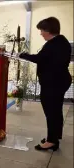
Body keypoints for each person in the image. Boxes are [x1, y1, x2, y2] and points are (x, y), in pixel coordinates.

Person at [19, 17, 72, 151]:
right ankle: (55, 135)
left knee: (51, 111)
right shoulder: (62, 41)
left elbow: (39, 58)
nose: (41, 33)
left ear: (49, 30)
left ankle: (51, 141)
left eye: (42, 30)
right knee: (56, 110)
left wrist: (22, 55)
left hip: (53, 83)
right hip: (60, 81)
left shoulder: (53, 44)